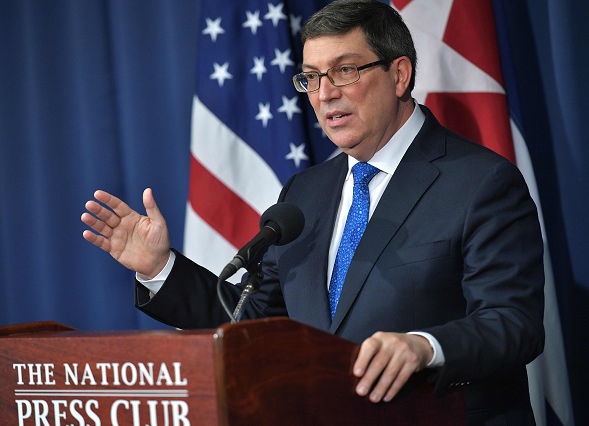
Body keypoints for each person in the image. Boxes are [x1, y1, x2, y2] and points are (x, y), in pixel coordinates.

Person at [82, 1, 544, 424]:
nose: (324, 94)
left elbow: (513, 323)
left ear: (399, 75)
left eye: (345, 71)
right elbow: (249, 326)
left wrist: (425, 347)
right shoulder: (305, 193)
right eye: (311, 77)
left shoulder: (480, 182)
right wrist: (160, 268)